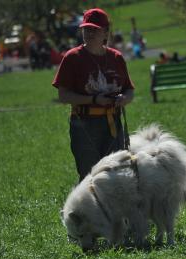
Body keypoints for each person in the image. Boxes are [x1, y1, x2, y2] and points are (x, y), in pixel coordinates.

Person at [52, 8, 135, 181]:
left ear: (105, 32)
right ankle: (82, 208)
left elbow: (129, 89)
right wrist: (93, 99)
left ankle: (115, 208)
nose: (89, 32)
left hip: (113, 123)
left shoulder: (116, 57)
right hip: (84, 124)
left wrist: (124, 99)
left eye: (94, 29)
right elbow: (63, 95)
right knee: (89, 176)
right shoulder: (72, 58)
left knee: (118, 173)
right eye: (86, 28)